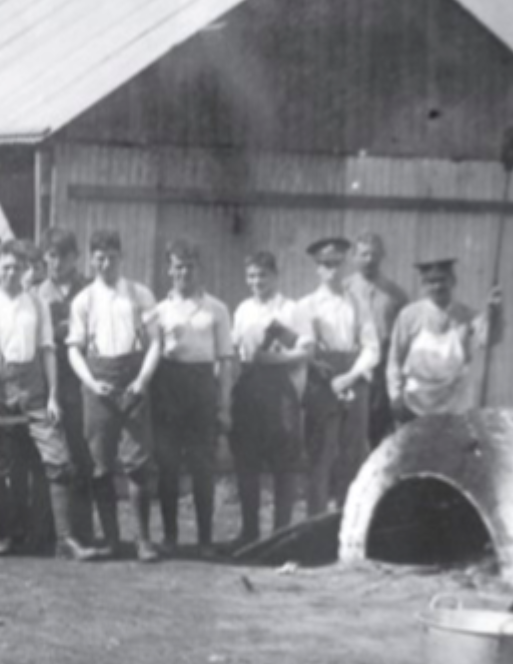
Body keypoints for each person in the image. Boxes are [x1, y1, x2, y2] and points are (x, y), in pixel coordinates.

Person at [0, 240, 80, 556]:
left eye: (17, 267)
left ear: (26, 271)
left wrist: (53, 397)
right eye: (4, 267)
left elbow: (48, 350)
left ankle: (64, 540)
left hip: (34, 388)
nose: (11, 273)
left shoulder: (37, 305)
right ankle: (5, 535)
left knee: (58, 459)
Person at [67, 230, 161, 562]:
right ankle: (110, 539)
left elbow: (156, 344)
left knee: (137, 464)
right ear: (92, 260)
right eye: (100, 258)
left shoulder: (140, 294)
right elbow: (74, 351)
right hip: (98, 383)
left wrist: (143, 379)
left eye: (112, 258)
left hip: (134, 379)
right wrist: (92, 383)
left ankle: (144, 540)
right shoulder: (83, 300)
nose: (106, 264)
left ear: (122, 258)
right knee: (100, 466)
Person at [150, 239, 234, 553]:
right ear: (169, 270)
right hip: (168, 387)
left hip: (202, 388)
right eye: (178, 267)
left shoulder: (217, 309)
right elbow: (151, 355)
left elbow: (225, 360)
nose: (184, 272)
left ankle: (205, 539)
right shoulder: (159, 310)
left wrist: (224, 405)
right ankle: (170, 537)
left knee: (203, 466)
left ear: (199, 269)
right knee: (168, 465)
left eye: (190, 266)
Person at [230, 251, 311, 545]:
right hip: (249, 386)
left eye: (262, 275)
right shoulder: (242, 310)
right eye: (251, 276)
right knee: (247, 462)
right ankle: (249, 533)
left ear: (275, 276)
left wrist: (274, 360)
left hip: (281, 390)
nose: (256, 282)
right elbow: (235, 350)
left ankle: (281, 534)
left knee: (283, 463)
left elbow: (306, 350)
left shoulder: (292, 309)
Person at [300, 237, 381, 517]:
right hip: (321, 381)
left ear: (344, 264)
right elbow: (304, 349)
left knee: (353, 456)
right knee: (321, 456)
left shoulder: (358, 303)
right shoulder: (307, 305)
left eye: (337, 263)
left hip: (355, 377)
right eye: (326, 264)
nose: (332, 270)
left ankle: (345, 524)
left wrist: (352, 375)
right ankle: (315, 524)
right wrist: (325, 371)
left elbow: (372, 347)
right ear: (317, 268)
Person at [33, 228, 96, 550]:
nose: (57, 262)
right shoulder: (37, 293)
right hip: (49, 382)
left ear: (76, 257)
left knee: (82, 456)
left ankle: (83, 530)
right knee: (51, 457)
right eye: (52, 256)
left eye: (65, 255)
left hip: (82, 380)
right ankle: (48, 532)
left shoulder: (90, 290)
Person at [387, 258, 503, 424]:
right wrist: (395, 395)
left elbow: (489, 340)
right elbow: (395, 360)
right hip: (415, 405)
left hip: (455, 406)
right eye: (430, 281)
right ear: (423, 285)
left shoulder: (467, 315)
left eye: (442, 280)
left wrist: (495, 313)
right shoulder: (409, 316)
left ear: (453, 281)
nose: (437, 286)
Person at [346, 233, 409, 447]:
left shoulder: (396, 295)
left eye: (374, 254)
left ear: (383, 256)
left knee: (379, 427)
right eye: (363, 254)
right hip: (351, 366)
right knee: (348, 429)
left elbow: (405, 337)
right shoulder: (343, 290)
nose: (369, 259)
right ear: (353, 257)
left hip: (382, 369)